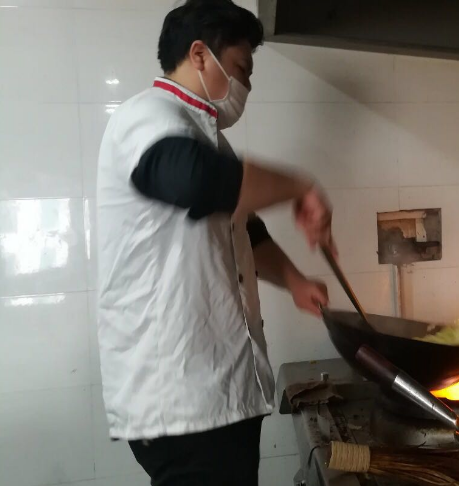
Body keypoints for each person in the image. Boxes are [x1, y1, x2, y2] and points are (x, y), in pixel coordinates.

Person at [95, 1, 333, 484]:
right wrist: (300, 186)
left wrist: (295, 281)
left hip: (217, 394)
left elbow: (243, 229)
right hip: (183, 401)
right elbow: (199, 182)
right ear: (199, 54)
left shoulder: (205, 139)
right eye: (242, 69)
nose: (247, 86)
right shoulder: (146, 116)